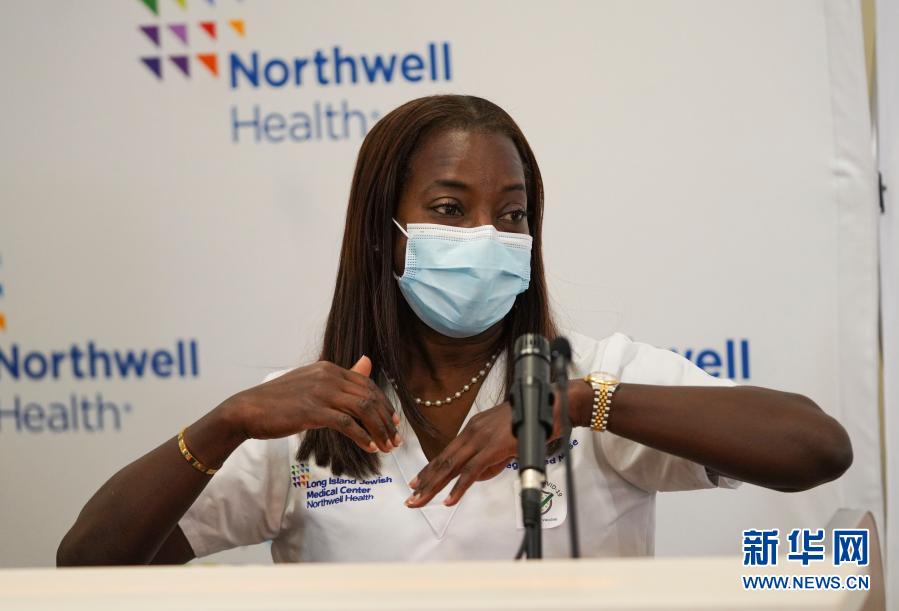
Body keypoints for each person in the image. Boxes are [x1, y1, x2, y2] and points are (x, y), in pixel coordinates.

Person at [57, 95, 852, 565]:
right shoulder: (305, 413)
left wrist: (577, 404)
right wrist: (227, 420)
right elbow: (89, 561)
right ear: (383, 233)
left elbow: (816, 447)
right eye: (448, 208)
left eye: (511, 214)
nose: (487, 236)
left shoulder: (588, 375)